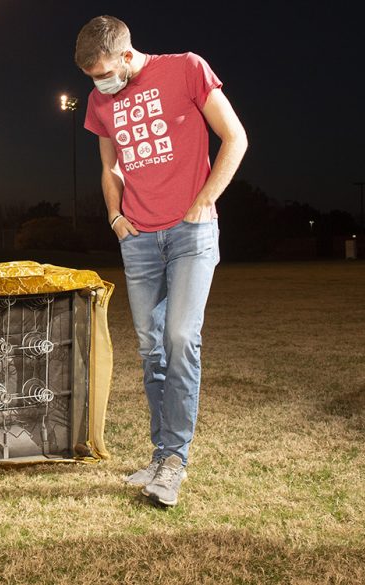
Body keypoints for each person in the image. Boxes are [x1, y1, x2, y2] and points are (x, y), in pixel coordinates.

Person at [74, 16, 247, 507]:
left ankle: (174, 462)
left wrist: (202, 202)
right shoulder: (99, 101)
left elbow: (235, 138)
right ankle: (159, 454)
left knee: (179, 337)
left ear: (127, 55)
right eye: (91, 78)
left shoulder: (187, 69)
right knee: (151, 349)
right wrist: (114, 216)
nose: (100, 83)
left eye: (105, 72)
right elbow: (108, 166)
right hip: (139, 238)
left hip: (192, 232)